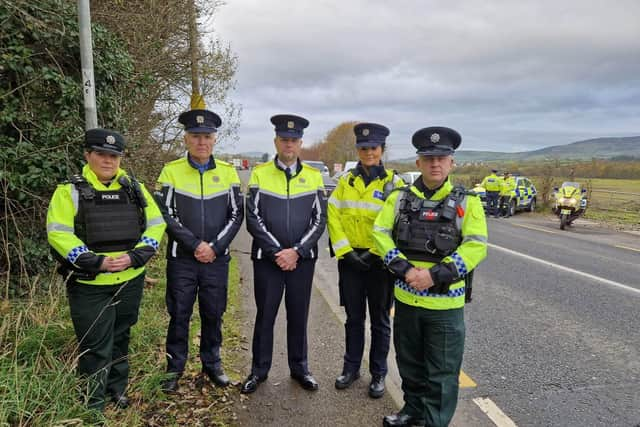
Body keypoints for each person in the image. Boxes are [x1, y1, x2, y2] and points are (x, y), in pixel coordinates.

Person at [373, 126, 488, 427]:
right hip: (407, 302)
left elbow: (476, 247)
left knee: (442, 372)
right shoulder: (399, 199)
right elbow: (380, 234)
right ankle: (411, 410)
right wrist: (405, 269)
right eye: (428, 157)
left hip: (445, 308)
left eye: (442, 157)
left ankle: (434, 421)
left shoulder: (468, 202)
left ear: (452, 162)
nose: (435, 163)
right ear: (418, 162)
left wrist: (434, 275)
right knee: (409, 364)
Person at [47, 128, 166, 411]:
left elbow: (156, 224)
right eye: (101, 154)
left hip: (130, 281)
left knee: (121, 337)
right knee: (95, 344)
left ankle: (117, 389)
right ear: (87, 155)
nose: (108, 160)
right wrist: (96, 261)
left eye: (114, 155)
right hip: (90, 285)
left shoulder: (134, 188)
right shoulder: (69, 191)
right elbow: (59, 234)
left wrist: (136, 257)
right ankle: (92, 403)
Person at [154, 109, 244, 392]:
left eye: (206, 136)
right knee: (179, 313)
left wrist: (215, 247)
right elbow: (165, 213)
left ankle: (212, 363)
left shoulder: (229, 173)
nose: (201, 142)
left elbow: (236, 215)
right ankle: (174, 367)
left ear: (214, 139)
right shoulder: (171, 171)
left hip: (216, 259)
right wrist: (195, 245)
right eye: (195, 136)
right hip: (182, 259)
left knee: (213, 313)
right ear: (186, 139)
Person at [241, 114, 327, 394]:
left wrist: (298, 252)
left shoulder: (314, 178)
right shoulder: (259, 173)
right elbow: (252, 218)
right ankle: (259, 370)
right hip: (268, 260)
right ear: (276, 141)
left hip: (302, 261)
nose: (289, 144)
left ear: (300, 143)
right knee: (265, 314)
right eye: (284, 140)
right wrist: (278, 251)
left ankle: (300, 368)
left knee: (299, 315)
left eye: (294, 140)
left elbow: (319, 220)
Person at [327, 122, 403, 398]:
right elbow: (333, 215)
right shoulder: (345, 181)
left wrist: (373, 252)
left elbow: (395, 224)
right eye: (363, 148)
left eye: (373, 147)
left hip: (379, 263)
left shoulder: (394, 183)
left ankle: (378, 374)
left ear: (382, 149)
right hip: (350, 262)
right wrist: (346, 251)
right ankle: (351, 368)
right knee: (353, 318)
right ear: (357, 150)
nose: (368, 152)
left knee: (381, 320)